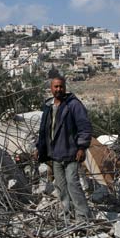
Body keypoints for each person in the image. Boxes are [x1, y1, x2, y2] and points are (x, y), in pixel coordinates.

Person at [35, 76, 92, 221]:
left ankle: (83, 217)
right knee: (61, 187)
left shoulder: (73, 105)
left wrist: (81, 147)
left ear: (65, 88)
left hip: (71, 152)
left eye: (61, 86)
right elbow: (44, 130)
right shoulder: (49, 107)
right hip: (55, 154)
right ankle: (67, 215)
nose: (58, 89)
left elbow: (84, 127)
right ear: (51, 88)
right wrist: (39, 147)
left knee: (73, 185)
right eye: (56, 87)